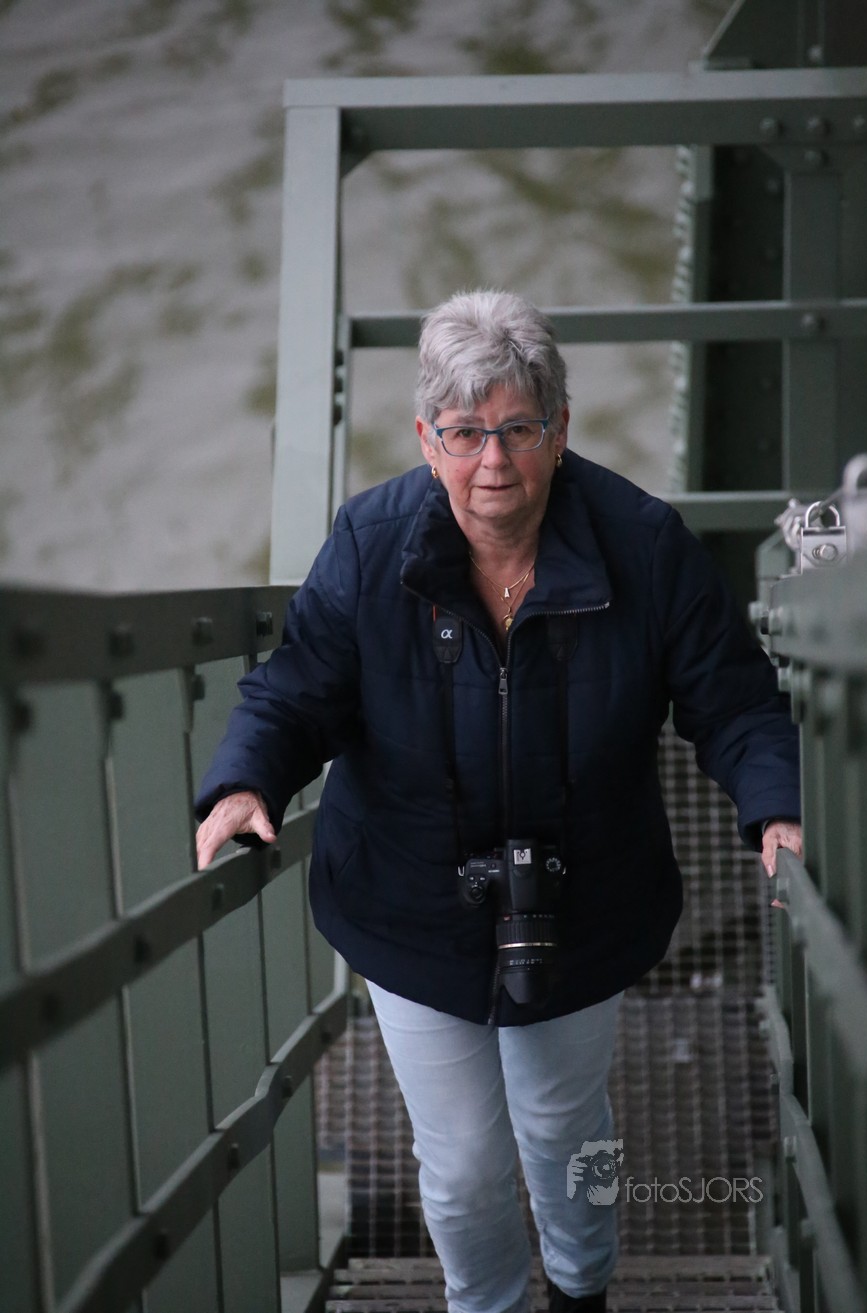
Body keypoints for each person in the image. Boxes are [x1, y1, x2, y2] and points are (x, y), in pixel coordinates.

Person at [195, 288, 802, 1313]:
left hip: (587, 899)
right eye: (464, 432)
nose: (493, 461)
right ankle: (482, 1304)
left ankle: (583, 1285)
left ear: (559, 431)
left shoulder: (644, 543)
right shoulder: (368, 542)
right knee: (463, 1161)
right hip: (406, 901)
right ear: (424, 439)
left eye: (518, 428)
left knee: (569, 1130)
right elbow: (295, 688)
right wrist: (245, 778)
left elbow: (734, 700)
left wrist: (775, 805)